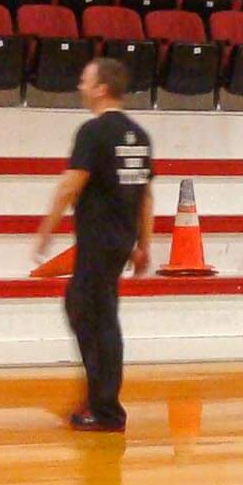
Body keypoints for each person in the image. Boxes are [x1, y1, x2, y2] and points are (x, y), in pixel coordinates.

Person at [31, 58, 154, 433]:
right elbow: (145, 196)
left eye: (85, 81)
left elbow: (72, 183)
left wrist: (47, 228)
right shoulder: (139, 135)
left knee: (97, 318)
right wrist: (142, 244)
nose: (80, 86)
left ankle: (105, 408)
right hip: (119, 240)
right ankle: (99, 396)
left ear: (101, 88)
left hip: (98, 239)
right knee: (86, 309)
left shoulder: (93, 132)